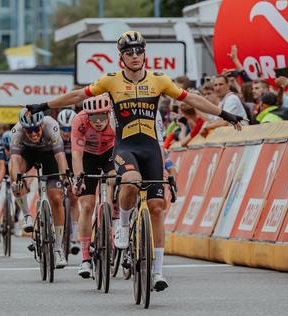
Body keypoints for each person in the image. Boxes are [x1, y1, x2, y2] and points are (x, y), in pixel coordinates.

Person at [26, 31, 244, 291]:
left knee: (156, 208)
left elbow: (192, 99)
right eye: (129, 52)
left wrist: (226, 114)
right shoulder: (111, 81)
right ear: (122, 58)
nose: (135, 56)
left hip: (150, 148)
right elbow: (77, 97)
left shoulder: (159, 80)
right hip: (126, 147)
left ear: (144, 53)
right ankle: (124, 225)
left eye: (138, 51)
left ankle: (157, 272)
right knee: (130, 181)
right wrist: (43, 105)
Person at [10, 108, 70, 268]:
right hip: (28, 154)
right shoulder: (16, 131)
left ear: (42, 126)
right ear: (23, 129)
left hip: (50, 155)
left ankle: (58, 248)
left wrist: (65, 177)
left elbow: (60, 156)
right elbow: (15, 160)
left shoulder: (52, 126)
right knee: (15, 177)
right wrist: (16, 179)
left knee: (56, 198)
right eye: (29, 130)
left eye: (36, 129)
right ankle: (27, 216)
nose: (33, 133)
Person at [70, 96, 116, 278]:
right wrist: (78, 180)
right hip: (87, 157)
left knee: (113, 180)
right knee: (87, 206)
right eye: (93, 117)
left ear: (108, 113)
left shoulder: (115, 119)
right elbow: (76, 156)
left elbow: (124, 146)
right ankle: (85, 258)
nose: (98, 122)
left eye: (102, 117)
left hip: (111, 153)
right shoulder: (79, 121)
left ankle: (115, 218)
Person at [56, 108, 80, 256]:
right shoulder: (55, 138)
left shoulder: (77, 137)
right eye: (63, 128)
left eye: (69, 129)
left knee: (74, 198)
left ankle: (73, 238)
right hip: (57, 164)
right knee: (54, 195)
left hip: (73, 164)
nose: (66, 132)